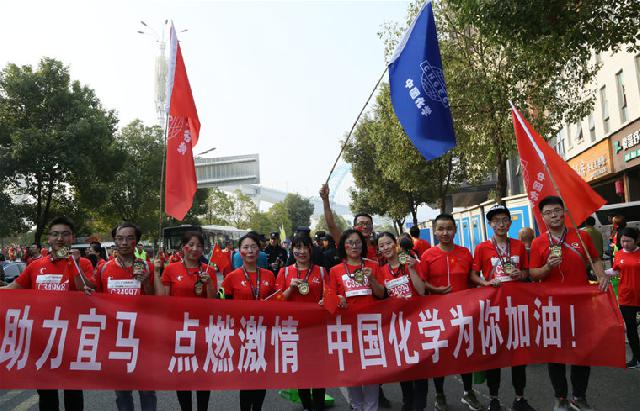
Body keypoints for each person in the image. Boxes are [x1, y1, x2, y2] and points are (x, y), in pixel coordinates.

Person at [1, 216, 92, 411]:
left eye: (65, 234)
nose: (60, 238)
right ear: (48, 239)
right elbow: (13, 288)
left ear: (72, 238)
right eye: (55, 234)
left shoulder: (82, 263)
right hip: (42, 338)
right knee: (46, 393)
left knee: (73, 392)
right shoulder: (35, 265)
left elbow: (88, 290)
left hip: (72, 339)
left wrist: (73, 264)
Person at [528, 196, 607, 411]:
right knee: (556, 354)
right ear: (542, 217)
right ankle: (560, 397)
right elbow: (533, 274)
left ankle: (579, 397)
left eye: (557, 210)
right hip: (552, 307)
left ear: (564, 212)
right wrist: (547, 267)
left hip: (581, 305)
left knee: (583, 352)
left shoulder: (581, 236)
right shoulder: (538, 242)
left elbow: (595, 259)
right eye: (548, 212)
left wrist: (601, 276)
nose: (554, 215)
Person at [470, 205, 535, 411]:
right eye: (496, 221)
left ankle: (520, 398)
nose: (501, 224)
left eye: (504, 220)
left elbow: (527, 272)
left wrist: (520, 274)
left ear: (510, 223)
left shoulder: (518, 246)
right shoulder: (482, 248)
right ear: (490, 224)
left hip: (516, 309)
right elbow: (473, 275)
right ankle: (494, 398)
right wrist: (486, 283)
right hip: (493, 308)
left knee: (519, 356)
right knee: (494, 354)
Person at [420, 214, 483, 411]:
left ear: (455, 230)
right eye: (441, 228)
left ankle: (468, 392)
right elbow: (421, 282)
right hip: (437, 315)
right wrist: (436, 290)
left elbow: (472, 276)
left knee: (464, 353)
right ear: (435, 231)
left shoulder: (465, 252)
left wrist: (486, 283)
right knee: (439, 355)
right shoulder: (428, 255)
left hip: (462, 312)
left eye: (449, 228)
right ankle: (439, 395)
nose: (445, 232)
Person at [92, 222, 157, 411]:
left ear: (136, 241)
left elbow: (157, 301)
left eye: (129, 238)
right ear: (114, 241)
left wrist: (146, 282)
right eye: (120, 238)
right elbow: (97, 301)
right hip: (116, 339)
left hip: (143, 338)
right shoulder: (104, 269)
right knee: (122, 391)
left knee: (147, 390)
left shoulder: (148, 267)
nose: (124, 243)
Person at [155, 231, 217, 411]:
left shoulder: (209, 270)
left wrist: (209, 284)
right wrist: (157, 272)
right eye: (191, 245)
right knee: (182, 373)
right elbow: (163, 299)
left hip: (203, 330)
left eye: (199, 245)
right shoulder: (171, 269)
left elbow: (213, 302)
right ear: (183, 247)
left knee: (203, 373)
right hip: (179, 330)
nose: (195, 249)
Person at [325, 228, 385, 411]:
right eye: (350, 243)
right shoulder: (335, 270)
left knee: (371, 372)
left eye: (357, 242)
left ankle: (372, 408)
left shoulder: (373, 265)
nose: (354, 246)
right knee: (352, 372)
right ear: (344, 246)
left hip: (370, 328)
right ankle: (357, 407)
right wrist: (338, 298)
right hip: (347, 330)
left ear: (363, 245)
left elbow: (382, 294)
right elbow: (329, 300)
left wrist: (371, 278)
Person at [222, 232, 276, 411]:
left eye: (253, 246)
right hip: (242, 335)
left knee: (261, 377)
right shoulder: (231, 277)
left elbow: (278, 303)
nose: (250, 250)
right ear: (240, 251)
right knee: (246, 378)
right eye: (245, 247)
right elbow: (226, 308)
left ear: (259, 250)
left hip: (264, 334)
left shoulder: (269, 275)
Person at [377, 232, 428, 411]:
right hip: (397, 326)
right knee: (404, 368)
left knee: (420, 369)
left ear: (396, 244)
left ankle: (419, 406)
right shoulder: (381, 271)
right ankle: (408, 403)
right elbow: (382, 298)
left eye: (388, 243)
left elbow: (421, 291)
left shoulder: (411, 263)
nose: (386, 248)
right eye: (381, 245)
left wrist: (412, 269)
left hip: (416, 323)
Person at [276, 235, 327, 410]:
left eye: (306, 247)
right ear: (292, 250)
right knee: (301, 371)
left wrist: (326, 301)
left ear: (311, 250)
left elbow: (330, 297)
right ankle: (307, 406)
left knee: (319, 372)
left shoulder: (321, 271)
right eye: (298, 247)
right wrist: (290, 288)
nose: (302, 251)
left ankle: (319, 406)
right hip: (294, 331)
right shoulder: (284, 272)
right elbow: (277, 302)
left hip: (317, 330)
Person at [607, 226, 640, 368]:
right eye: (623, 241)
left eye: (628, 241)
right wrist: (601, 272)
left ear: (636, 240)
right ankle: (637, 358)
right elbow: (616, 271)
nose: (625, 244)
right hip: (626, 297)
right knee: (631, 330)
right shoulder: (619, 254)